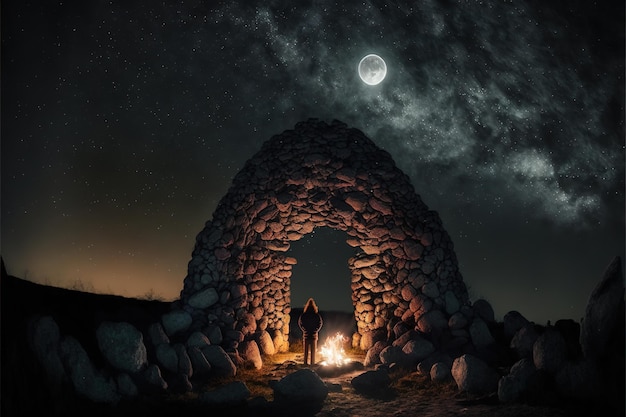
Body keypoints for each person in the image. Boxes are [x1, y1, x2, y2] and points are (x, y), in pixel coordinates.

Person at [298, 298, 323, 365]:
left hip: (306, 335)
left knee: (306, 351)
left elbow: (300, 323)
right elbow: (320, 323)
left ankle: (305, 363)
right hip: (313, 335)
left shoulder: (304, 315)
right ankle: (312, 364)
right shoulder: (316, 315)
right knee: (313, 352)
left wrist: (304, 330)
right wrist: (315, 330)